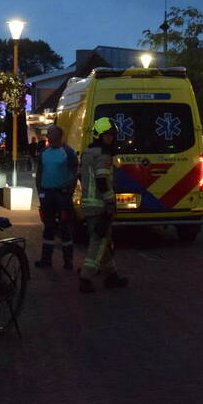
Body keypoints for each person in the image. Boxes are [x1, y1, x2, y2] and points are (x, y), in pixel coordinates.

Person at [78, 117, 128, 293]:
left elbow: (82, 176)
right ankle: (86, 277)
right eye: (108, 135)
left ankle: (112, 276)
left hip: (88, 205)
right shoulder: (103, 155)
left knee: (104, 241)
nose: (111, 139)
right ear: (100, 136)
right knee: (98, 242)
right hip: (100, 206)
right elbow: (101, 180)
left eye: (112, 135)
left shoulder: (87, 153)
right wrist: (109, 202)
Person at [34, 126, 78, 269]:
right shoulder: (44, 152)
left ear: (59, 135)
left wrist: (68, 192)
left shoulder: (68, 152)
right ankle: (46, 260)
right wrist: (40, 192)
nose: (48, 136)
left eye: (50, 134)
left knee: (65, 227)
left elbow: (73, 173)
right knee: (48, 227)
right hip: (47, 194)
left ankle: (68, 261)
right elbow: (39, 172)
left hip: (61, 194)